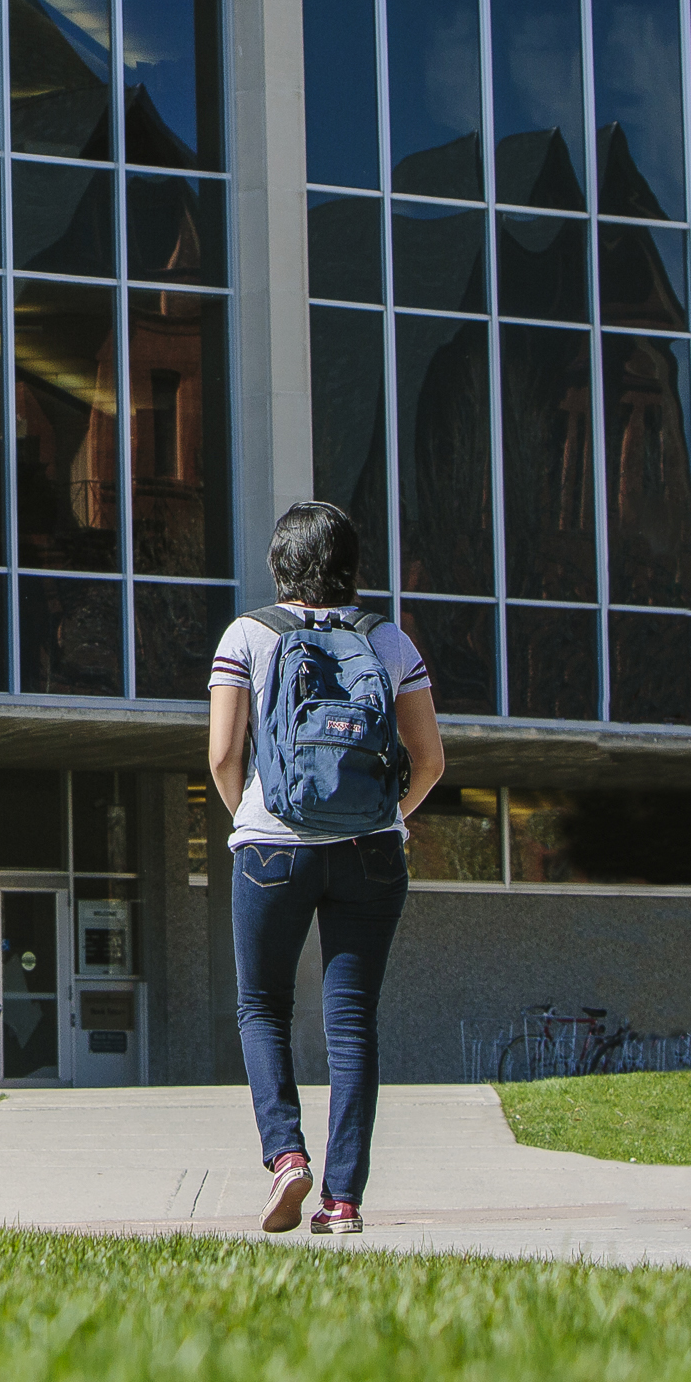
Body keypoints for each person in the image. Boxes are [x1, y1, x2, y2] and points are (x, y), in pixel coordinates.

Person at [208, 500, 444, 1237]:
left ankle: (286, 1158)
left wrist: (255, 817)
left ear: (280, 562)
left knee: (262, 1007)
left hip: (271, 846)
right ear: (349, 562)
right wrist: (388, 814)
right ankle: (342, 1201)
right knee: (351, 1022)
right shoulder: (388, 640)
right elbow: (431, 761)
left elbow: (222, 755)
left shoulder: (247, 635)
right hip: (370, 850)